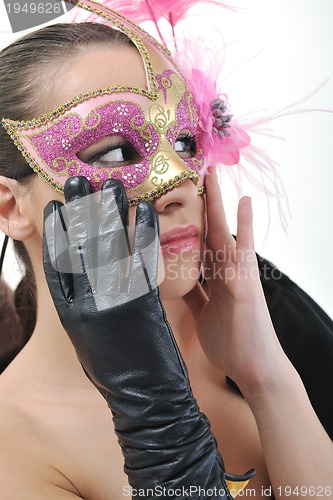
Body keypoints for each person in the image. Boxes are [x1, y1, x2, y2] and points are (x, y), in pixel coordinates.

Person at [0, 1, 332, 498]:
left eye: (182, 140)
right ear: (10, 207)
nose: (177, 182)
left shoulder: (253, 313)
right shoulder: (13, 442)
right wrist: (154, 410)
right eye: (114, 151)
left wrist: (268, 378)